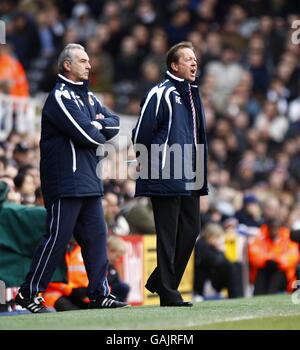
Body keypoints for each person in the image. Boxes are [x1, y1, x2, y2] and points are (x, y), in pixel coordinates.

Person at [15, 43, 128, 313]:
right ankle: (29, 293)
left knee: (97, 238)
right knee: (57, 238)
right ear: (67, 65)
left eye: (88, 60)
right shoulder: (60, 96)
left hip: (88, 178)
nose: (89, 65)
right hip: (65, 179)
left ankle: (100, 294)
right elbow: (88, 135)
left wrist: (96, 124)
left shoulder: (88, 98)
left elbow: (114, 122)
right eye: (82, 60)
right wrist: (96, 126)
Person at [132, 41, 208, 307]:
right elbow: (141, 131)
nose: (194, 63)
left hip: (189, 173)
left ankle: (159, 281)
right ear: (174, 66)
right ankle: (168, 292)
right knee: (167, 234)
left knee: (190, 231)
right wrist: (149, 162)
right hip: (164, 172)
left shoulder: (191, 94)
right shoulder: (160, 92)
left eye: (195, 59)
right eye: (188, 59)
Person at [194, 222, 243, 299]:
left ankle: (238, 296)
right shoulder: (201, 245)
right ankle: (236, 297)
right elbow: (215, 261)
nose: (218, 240)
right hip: (204, 282)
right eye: (217, 237)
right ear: (209, 236)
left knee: (236, 265)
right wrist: (221, 251)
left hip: (213, 278)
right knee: (230, 267)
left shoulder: (212, 246)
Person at [107, 235, 130, 302]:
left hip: (111, 291)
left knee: (124, 287)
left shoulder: (112, 267)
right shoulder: (102, 265)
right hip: (105, 292)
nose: (117, 260)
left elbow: (117, 281)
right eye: (117, 256)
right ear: (110, 251)